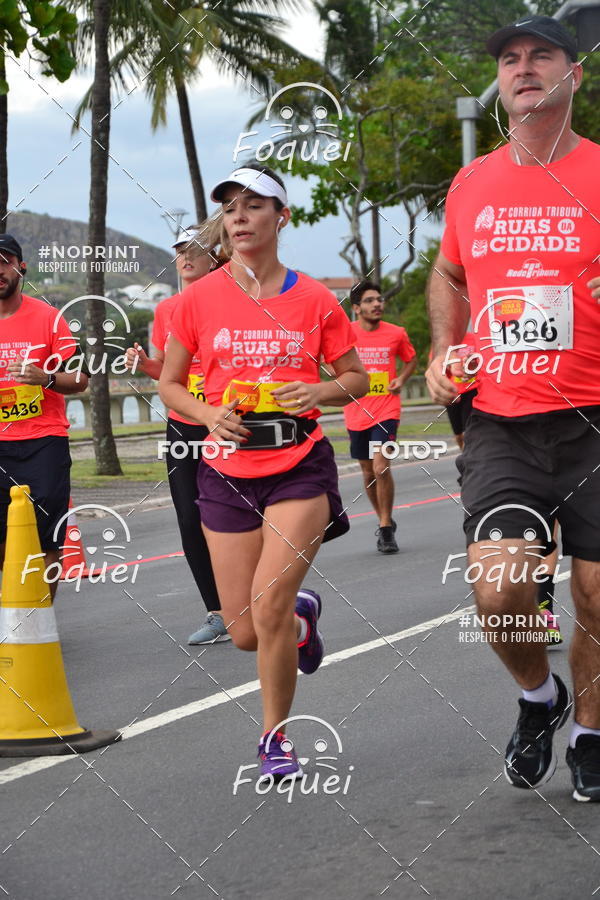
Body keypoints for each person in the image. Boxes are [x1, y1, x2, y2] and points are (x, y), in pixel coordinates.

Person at [426, 15, 600, 801]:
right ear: (500, 81)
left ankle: (591, 734)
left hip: (595, 419)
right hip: (502, 419)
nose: (524, 67)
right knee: (500, 591)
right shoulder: (473, 182)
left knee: (596, 595)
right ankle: (540, 697)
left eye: (542, 55)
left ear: (575, 75)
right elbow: (449, 274)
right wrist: (443, 349)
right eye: (510, 59)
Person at [159, 163, 368, 777]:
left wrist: (318, 392)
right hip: (226, 471)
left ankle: (275, 738)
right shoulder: (197, 299)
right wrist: (207, 414)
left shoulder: (315, 298)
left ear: (282, 217)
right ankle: (302, 615)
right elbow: (171, 384)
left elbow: (356, 378)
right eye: (231, 209)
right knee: (246, 631)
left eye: (254, 205)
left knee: (267, 608)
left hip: (299, 465)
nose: (240, 217)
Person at [125, 220, 230, 644]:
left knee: (236, 514)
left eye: (196, 249)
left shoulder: (232, 300)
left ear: (215, 257)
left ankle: (260, 596)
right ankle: (217, 612)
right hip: (184, 426)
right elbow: (169, 374)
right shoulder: (166, 310)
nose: (186, 257)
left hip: (226, 424)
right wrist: (144, 364)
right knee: (190, 518)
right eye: (181, 250)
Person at [0, 234, 87, 599]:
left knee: (47, 535)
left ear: (21, 268)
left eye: (4, 262)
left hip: (44, 442)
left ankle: (40, 617)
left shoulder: (50, 319)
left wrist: (45, 377)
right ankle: (10, 615)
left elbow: (81, 378)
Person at [343, 280, 416, 553]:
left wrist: (401, 379)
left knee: (380, 467)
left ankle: (385, 528)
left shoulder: (396, 333)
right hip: (356, 411)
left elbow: (411, 359)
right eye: (370, 301)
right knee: (367, 472)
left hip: (386, 410)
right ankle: (383, 518)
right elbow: (329, 359)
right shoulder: (346, 333)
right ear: (356, 308)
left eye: (379, 299)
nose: (377, 304)